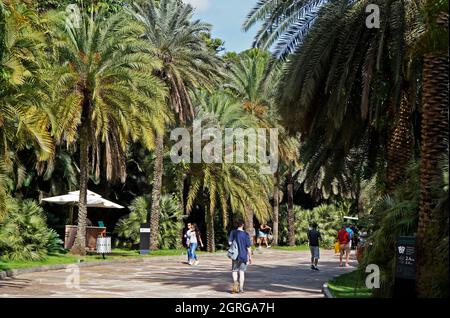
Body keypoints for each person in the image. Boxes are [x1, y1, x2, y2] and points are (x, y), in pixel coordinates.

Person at [228, 219, 253, 294]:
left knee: (234, 270)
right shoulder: (246, 234)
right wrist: (250, 257)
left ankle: (235, 282)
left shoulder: (233, 232)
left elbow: (229, 242)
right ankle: (241, 288)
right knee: (242, 272)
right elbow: (248, 247)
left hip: (235, 255)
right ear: (243, 225)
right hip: (243, 255)